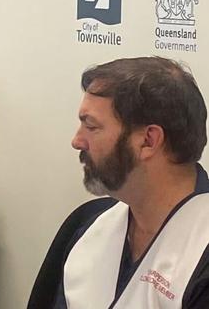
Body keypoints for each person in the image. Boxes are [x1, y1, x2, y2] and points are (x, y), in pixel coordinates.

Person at [33, 57, 209, 308]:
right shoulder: (87, 224)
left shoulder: (201, 251)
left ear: (149, 140)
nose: (77, 141)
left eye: (91, 126)